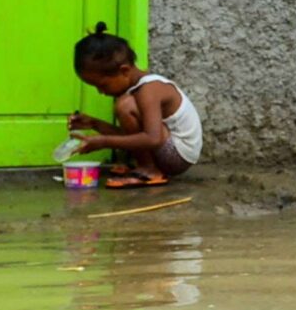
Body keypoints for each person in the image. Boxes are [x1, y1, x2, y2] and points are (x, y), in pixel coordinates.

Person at [67, 24, 204, 188]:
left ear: (124, 70)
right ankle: (146, 166)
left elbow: (152, 139)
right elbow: (132, 137)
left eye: (102, 85)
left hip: (177, 156)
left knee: (125, 105)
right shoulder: (138, 89)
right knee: (125, 105)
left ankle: (149, 170)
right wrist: (94, 124)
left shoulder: (148, 89)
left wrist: (103, 142)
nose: (101, 92)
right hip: (167, 149)